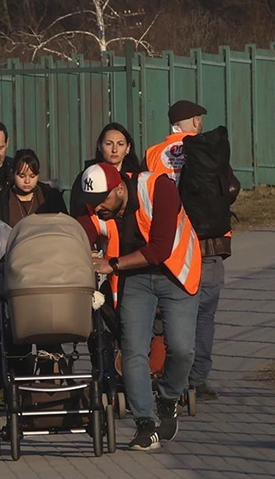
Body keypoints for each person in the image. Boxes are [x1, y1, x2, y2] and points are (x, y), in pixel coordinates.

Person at [75, 162, 201, 451]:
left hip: (177, 272)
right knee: (132, 349)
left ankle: (168, 398)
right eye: (91, 203)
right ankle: (145, 423)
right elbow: (81, 231)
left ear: (119, 188)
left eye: (101, 200)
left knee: (182, 349)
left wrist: (112, 264)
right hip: (135, 278)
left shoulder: (159, 188)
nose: (97, 208)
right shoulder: (99, 207)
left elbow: (159, 249)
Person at [147, 100, 241, 401]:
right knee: (204, 315)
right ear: (195, 123)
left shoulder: (152, 154)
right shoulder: (208, 150)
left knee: (168, 310)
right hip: (207, 243)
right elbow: (231, 188)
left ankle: (165, 372)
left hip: (170, 246)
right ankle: (198, 380)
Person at [0, 149, 68, 403]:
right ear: (13, 175)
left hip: (48, 271)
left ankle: (46, 382)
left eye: (32, 175)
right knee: (14, 330)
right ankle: (12, 385)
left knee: (47, 326)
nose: (27, 181)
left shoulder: (50, 196)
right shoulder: (0, 201)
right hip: (15, 272)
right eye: (22, 175)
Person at [69, 122, 143, 217]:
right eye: (108, 144)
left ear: (128, 148)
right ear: (99, 146)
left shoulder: (137, 178)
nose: (114, 150)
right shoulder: (86, 178)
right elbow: (78, 213)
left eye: (120, 144)